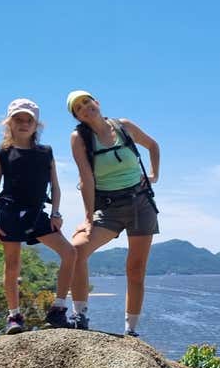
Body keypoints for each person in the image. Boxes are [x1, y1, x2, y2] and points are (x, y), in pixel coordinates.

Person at [66, 90, 159, 336]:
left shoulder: (124, 127)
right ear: (77, 116)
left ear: (97, 102)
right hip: (109, 207)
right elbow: (86, 178)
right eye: (79, 108)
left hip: (140, 203)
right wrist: (88, 218)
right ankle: (80, 315)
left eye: (87, 102)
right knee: (77, 249)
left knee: (136, 269)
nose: (85, 108)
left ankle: (131, 331)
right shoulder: (79, 138)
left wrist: (154, 176)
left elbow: (152, 145)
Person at [0, 98, 77, 334]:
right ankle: (14, 317)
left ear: (37, 125)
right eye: (19, 119)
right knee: (12, 265)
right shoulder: (4, 153)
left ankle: (58, 309)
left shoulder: (46, 153)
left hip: (38, 214)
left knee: (69, 253)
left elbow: (55, 186)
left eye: (29, 120)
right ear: (9, 123)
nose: (24, 124)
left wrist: (56, 212)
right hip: (9, 213)